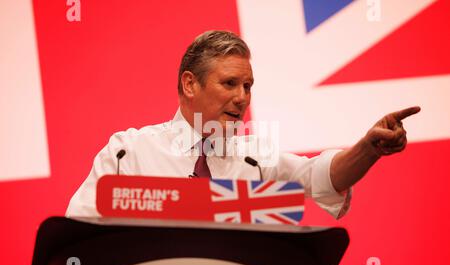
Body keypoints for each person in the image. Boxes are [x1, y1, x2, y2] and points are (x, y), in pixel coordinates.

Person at [66, 30, 420, 219]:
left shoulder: (255, 158)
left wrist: (368, 149)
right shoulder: (130, 152)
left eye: (248, 86)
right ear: (190, 84)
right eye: (230, 84)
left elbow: (320, 177)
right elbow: (77, 234)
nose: (242, 97)